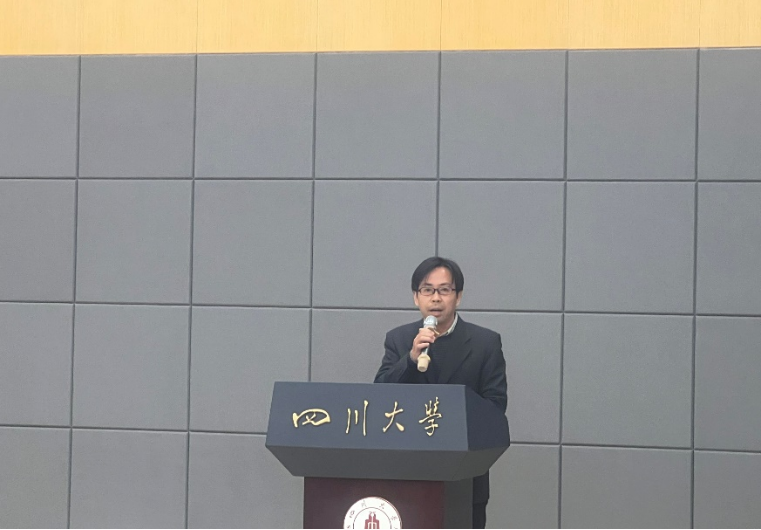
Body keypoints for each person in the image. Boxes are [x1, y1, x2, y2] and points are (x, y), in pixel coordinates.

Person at [374, 256, 508, 529]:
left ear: (458, 296)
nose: (436, 298)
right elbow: (380, 397)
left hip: (465, 476)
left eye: (444, 290)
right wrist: (411, 359)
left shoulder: (485, 343)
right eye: (427, 290)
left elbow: (495, 406)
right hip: (408, 473)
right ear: (416, 297)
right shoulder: (399, 340)